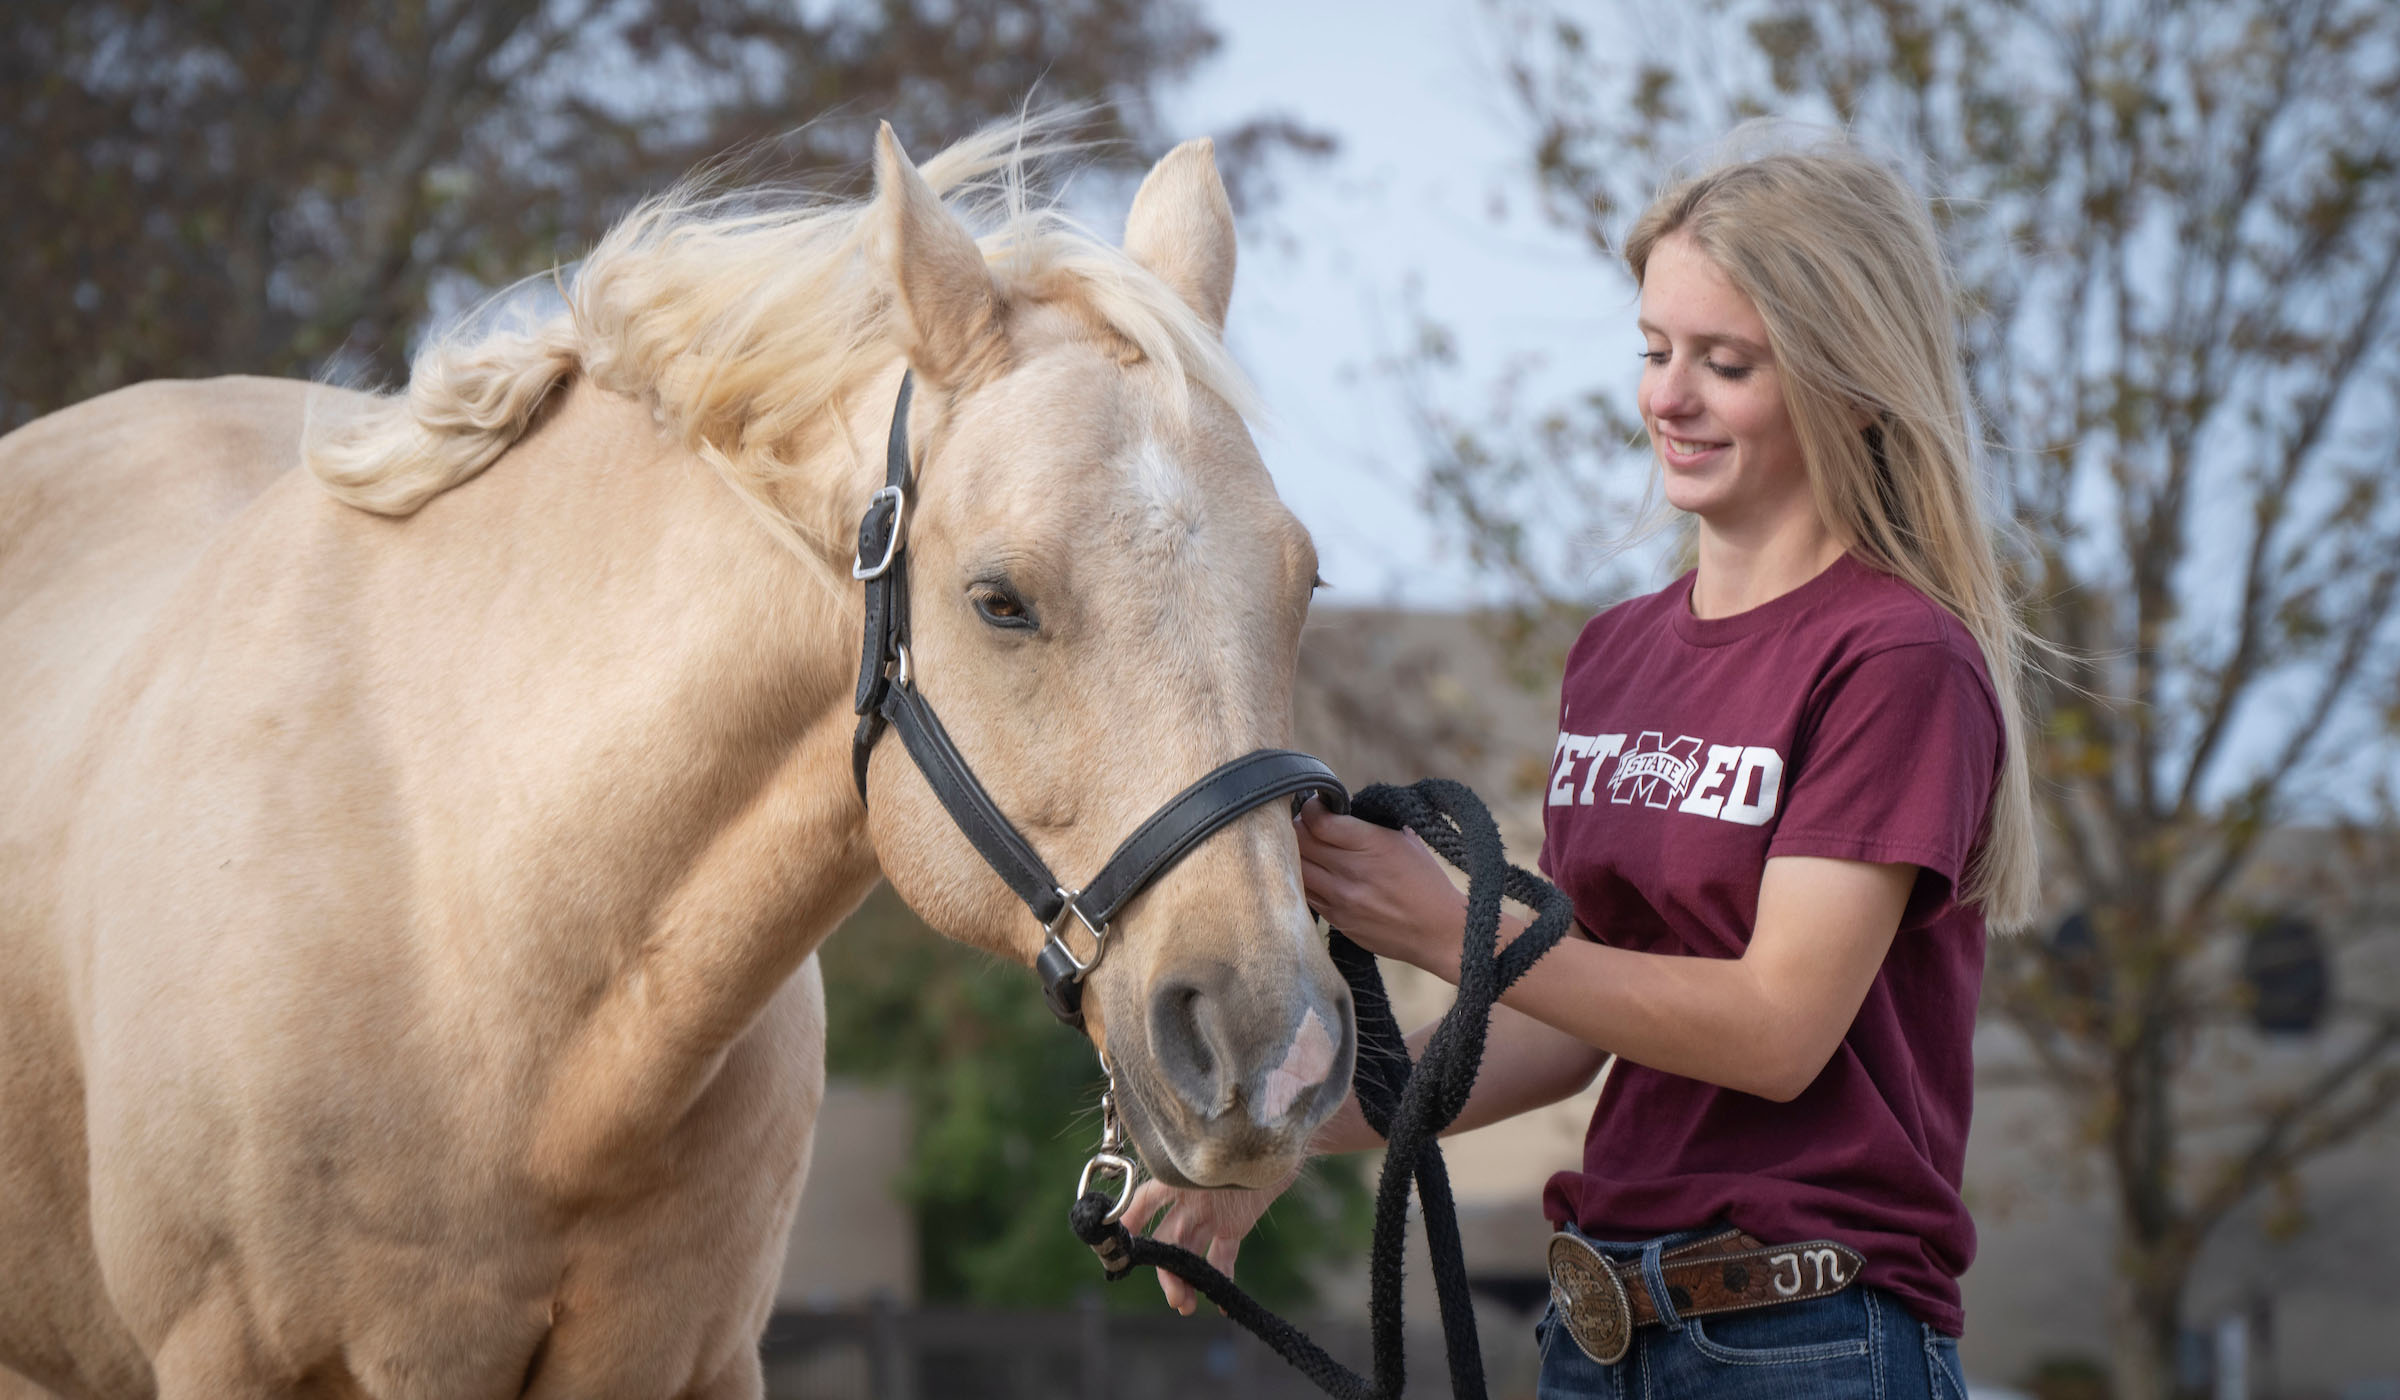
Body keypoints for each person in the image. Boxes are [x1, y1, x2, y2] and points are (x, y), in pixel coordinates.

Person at [1122, 137, 2041, 1400]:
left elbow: (1777, 1029)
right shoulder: (1619, 651)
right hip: (1596, 1334)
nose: (1671, 396)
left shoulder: (1896, 659)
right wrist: (1276, 1131)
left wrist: (1453, 922)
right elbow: (1562, 1028)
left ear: (1860, 385)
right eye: (1657, 350)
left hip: (1806, 1338)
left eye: (1727, 363)